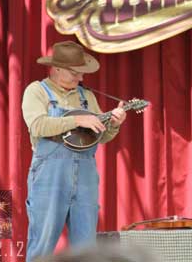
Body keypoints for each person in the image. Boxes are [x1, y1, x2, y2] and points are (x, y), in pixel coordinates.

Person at [22, 40, 127, 262]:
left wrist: (114, 123)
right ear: (56, 68)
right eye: (75, 73)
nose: (80, 78)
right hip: (49, 175)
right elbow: (38, 126)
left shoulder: (86, 96)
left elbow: (102, 136)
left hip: (86, 175)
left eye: (81, 73)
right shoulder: (36, 91)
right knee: (43, 243)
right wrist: (78, 120)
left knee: (86, 248)